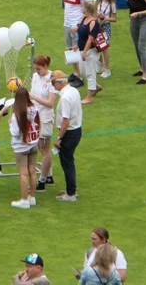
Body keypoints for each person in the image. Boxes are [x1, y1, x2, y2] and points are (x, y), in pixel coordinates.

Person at [52, 69, 83, 202]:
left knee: (67, 163)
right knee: (69, 161)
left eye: (53, 83)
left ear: (60, 83)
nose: (53, 86)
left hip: (69, 133)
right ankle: (71, 189)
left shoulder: (64, 97)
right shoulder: (74, 91)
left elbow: (66, 120)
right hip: (76, 130)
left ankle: (71, 194)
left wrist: (59, 138)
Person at [8, 88, 40, 209]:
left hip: (22, 147)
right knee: (32, 171)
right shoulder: (35, 109)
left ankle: (24, 200)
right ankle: (32, 197)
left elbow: (15, 133)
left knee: (23, 173)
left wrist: (10, 123)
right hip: (33, 144)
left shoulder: (17, 114)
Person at [29, 56, 57, 191]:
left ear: (46, 67)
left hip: (45, 118)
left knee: (45, 149)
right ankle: (49, 175)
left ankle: (42, 181)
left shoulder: (52, 80)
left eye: (39, 69)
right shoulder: (35, 77)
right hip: (34, 116)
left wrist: (34, 97)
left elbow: (50, 103)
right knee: (41, 148)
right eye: (35, 69)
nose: (37, 71)